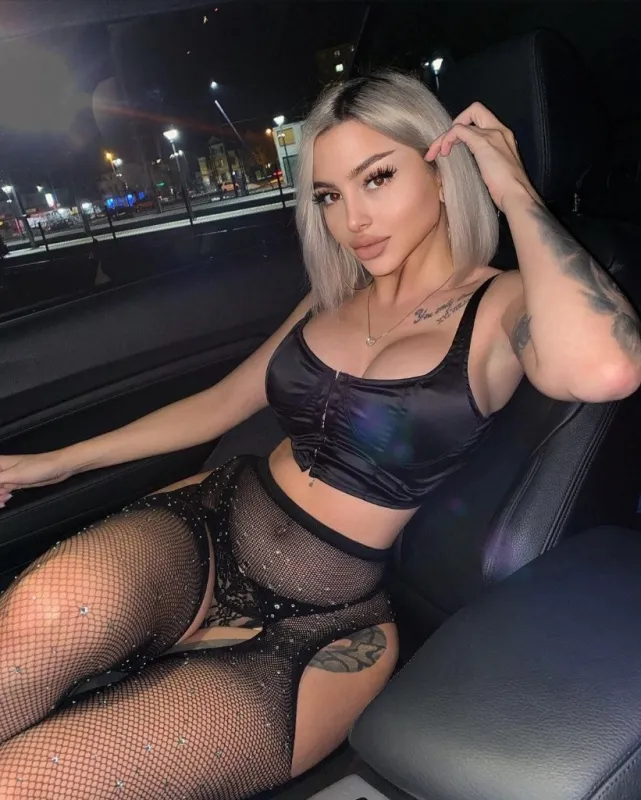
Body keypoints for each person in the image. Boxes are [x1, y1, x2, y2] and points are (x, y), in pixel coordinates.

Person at [0, 69, 640, 798]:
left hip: (324, 625)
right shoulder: (333, 293)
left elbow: (608, 369)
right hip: (209, 526)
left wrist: (514, 190)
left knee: (29, 784)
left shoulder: (502, 303)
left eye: (378, 178)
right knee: (34, 623)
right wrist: (55, 463)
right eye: (329, 195)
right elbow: (222, 403)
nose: (351, 220)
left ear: (442, 173)